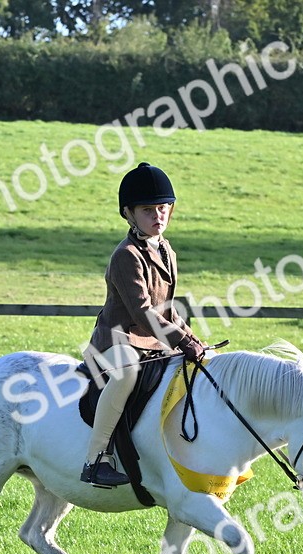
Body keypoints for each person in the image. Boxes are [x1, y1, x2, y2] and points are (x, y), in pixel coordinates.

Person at [80, 162, 207, 488]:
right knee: (126, 375)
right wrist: (180, 340)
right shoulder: (126, 256)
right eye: (148, 209)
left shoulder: (167, 250)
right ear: (129, 213)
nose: (158, 215)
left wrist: (193, 339)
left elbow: (167, 309)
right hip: (116, 341)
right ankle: (95, 460)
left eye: (163, 208)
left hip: (152, 341)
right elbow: (142, 312)